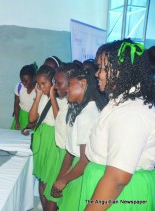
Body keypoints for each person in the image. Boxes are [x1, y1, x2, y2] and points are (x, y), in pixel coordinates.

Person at [79, 39, 155, 210]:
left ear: (121, 70)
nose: (97, 74)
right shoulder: (121, 102)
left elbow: (116, 179)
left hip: (119, 197)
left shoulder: (131, 113)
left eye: (102, 68)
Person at [51, 61, 107, 210]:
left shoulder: (86, 117)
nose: (67, 89)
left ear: (82, 84)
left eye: (70, 85)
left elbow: (84, 159)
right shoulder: (90, 110)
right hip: (77, 172)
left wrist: (63, 181)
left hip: (79, 174)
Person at [24, 64, 61, 210]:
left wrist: (52, 95)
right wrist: (38, 96)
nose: (40, 87)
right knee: (41, 178)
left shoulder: (62, 98)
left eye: (43, 84)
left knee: (50, 177)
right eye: (38, 84)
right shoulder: (40, 96)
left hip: (53, 139)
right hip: (41, 137)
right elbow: (32, 119)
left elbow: (59, 121)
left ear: (53, 82)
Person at [41, 62, 76, 209]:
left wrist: (62, 177)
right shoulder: (67, 103)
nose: (55, 86)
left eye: (58, 83)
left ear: (71, 83)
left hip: (67, 157)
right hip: (60, 153)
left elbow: (72, 145)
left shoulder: (76, 107)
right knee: (51, 194)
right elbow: (59, 121)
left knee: (54, 198)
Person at [11, 63, 37, 130]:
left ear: (34, 77)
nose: (24, 83)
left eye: (26, 81)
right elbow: (16, 104)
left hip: (33, 118)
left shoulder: (38, 89)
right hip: (20, 117)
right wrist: (17, 121)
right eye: (22, 81)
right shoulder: (19, 86)